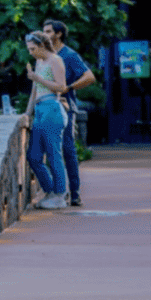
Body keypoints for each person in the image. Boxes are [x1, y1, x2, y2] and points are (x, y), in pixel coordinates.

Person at [42, 18, 95, 208]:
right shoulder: (44, 54)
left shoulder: (69, 55)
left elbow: (89, 76)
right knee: (50, 151)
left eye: (48, 31)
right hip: (46, 108)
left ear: (58, 34)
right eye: (44, 31)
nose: (45, 34)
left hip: (65, 108)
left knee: (68, 149)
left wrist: (69, 87)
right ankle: (58, 192)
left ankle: (75, 193)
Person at [23, 30, 69, 209]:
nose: (31, 52)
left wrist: (38, 78)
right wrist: (27, 113)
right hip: (40, 109)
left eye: (33, 48)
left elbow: (61, 87)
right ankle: (50, 190)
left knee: (53, 153)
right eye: (29, 49)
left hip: (52, 108)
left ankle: (59, 195)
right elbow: (35, 89)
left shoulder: (56, 61)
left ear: (42, 45)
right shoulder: (39, 61)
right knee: (33, 156)